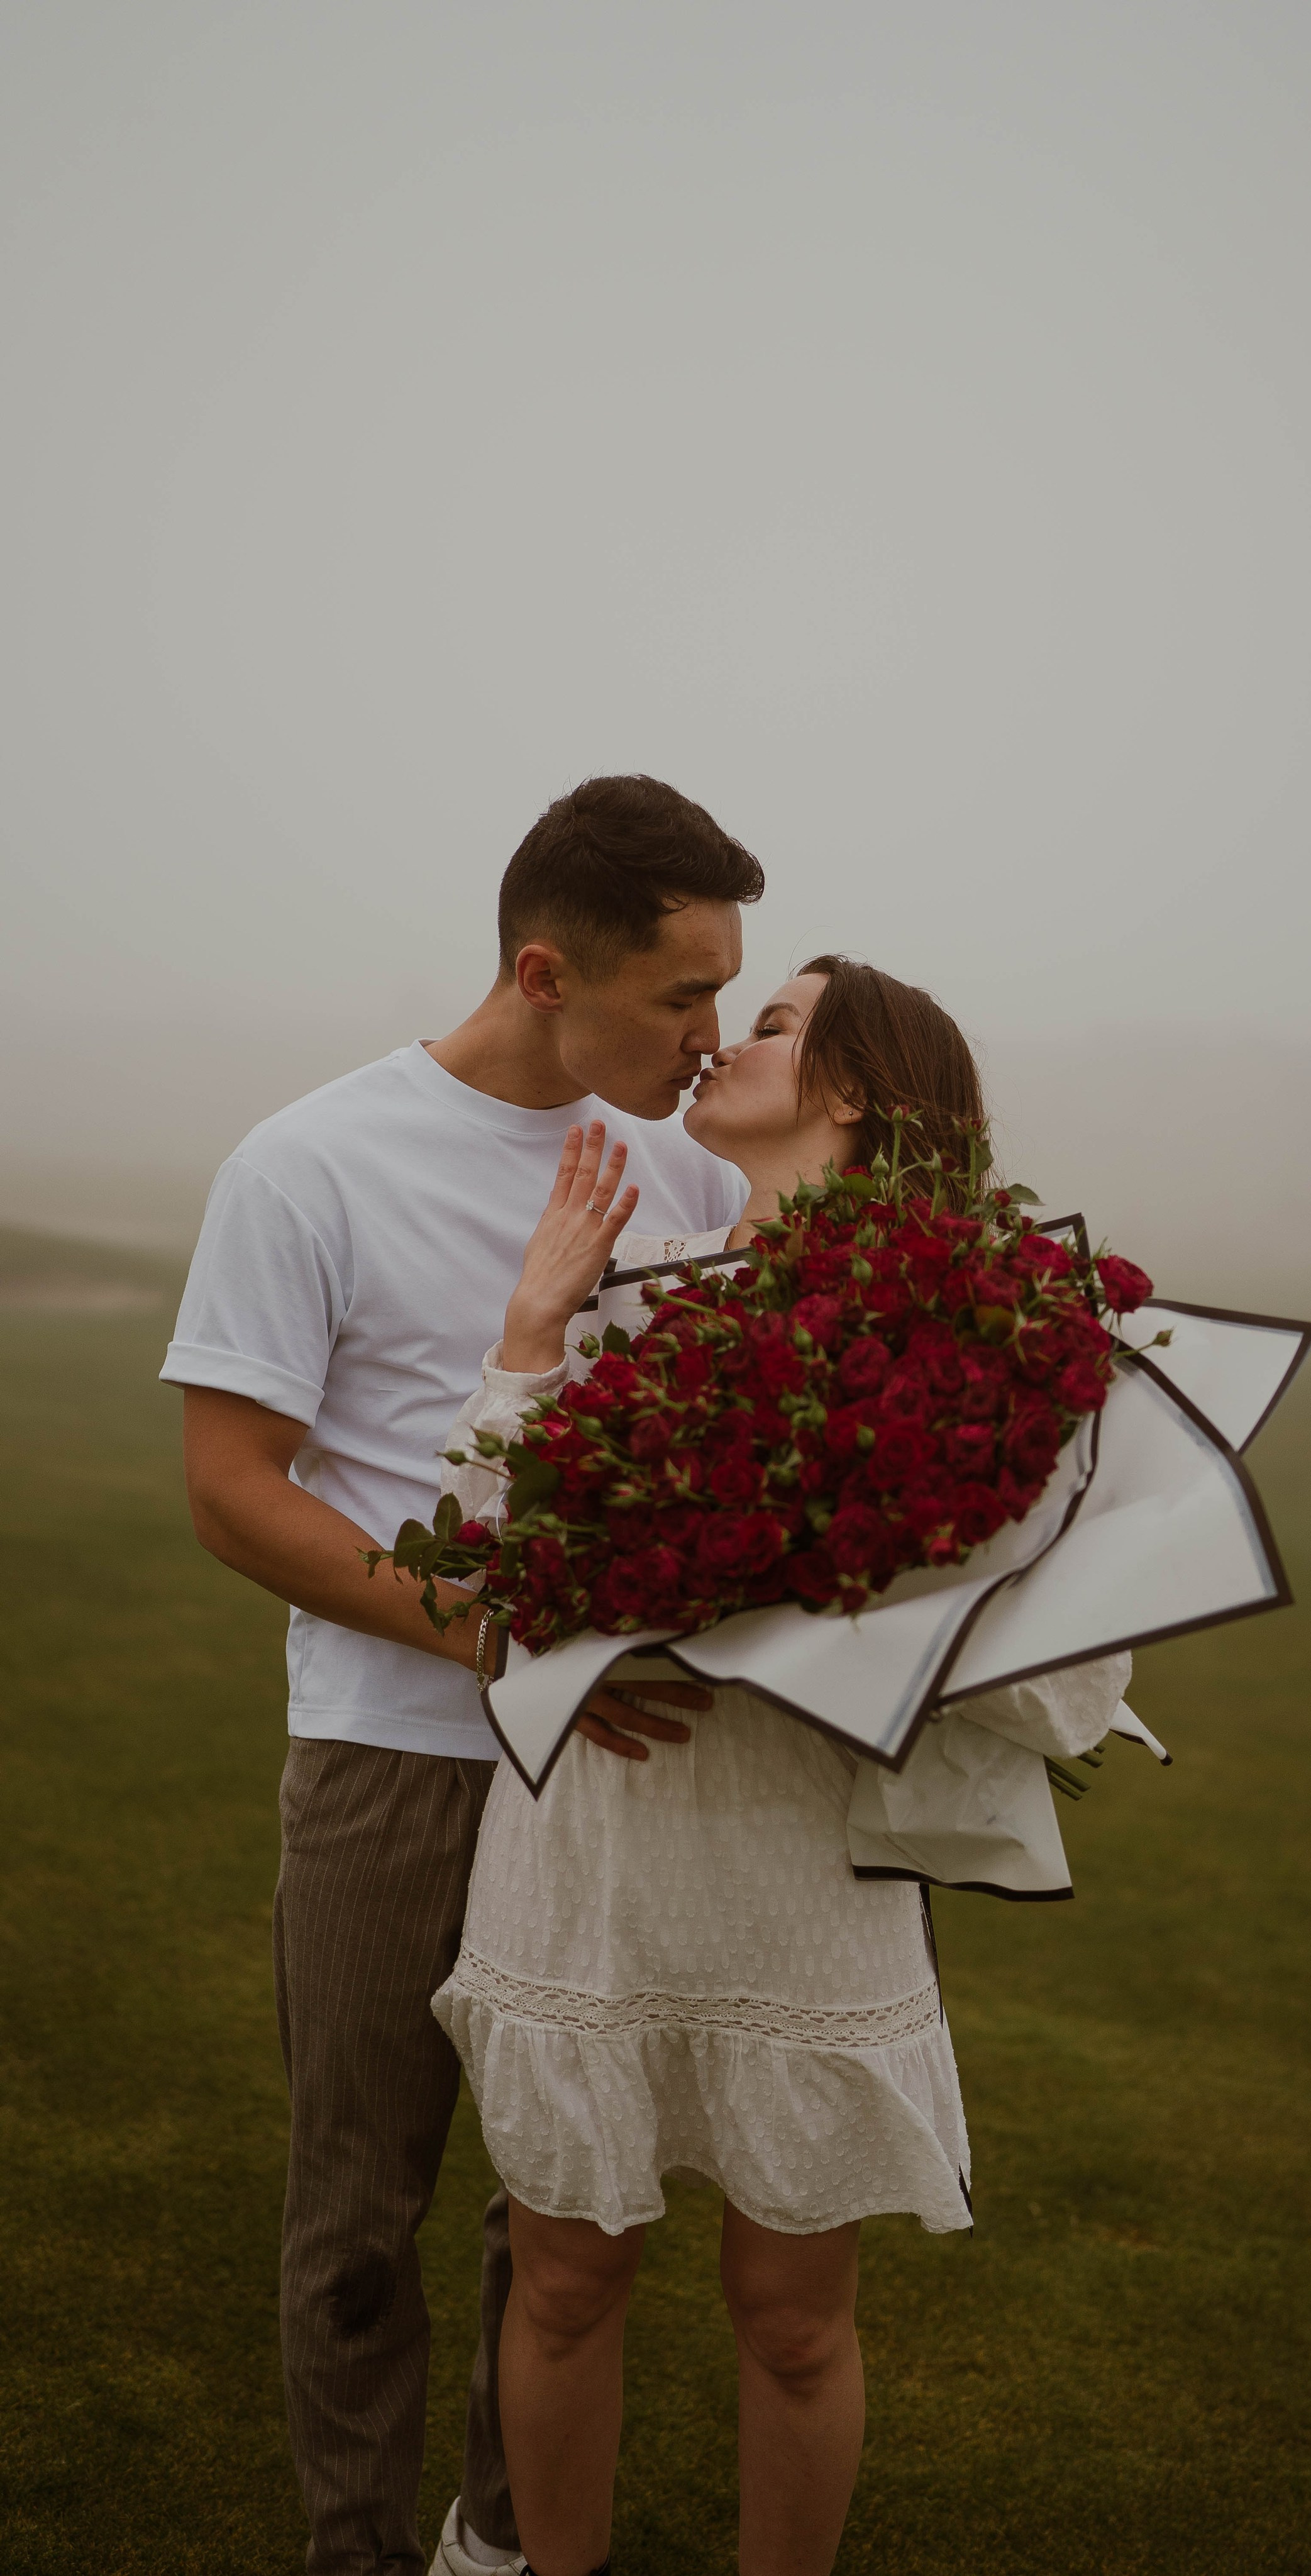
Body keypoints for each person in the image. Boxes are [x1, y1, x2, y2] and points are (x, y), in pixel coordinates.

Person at [161, 776, 763, 2576]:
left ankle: (497, 2549)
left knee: (565, 2218)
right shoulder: (307, 1161)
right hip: (390, 1758)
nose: (706, 1037)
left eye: (725, 992)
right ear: (541, 968)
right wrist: (492, 1635)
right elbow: (230, 1493)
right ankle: (358, 2553)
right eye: (679, 996)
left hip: (610, 1769)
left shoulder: (695, 1173)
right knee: (357, 2214)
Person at [433, 959, 992, 2576]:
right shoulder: (634, 1280)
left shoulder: (952, 1320)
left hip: (797, 1853)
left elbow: (985, 1600)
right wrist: (537, 1321)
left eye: (769, 1024)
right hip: (592, 1843)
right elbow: (480, 1549)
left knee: (795, 2316)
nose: (719, 1042)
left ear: (854, 1092)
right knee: (561, 2276)